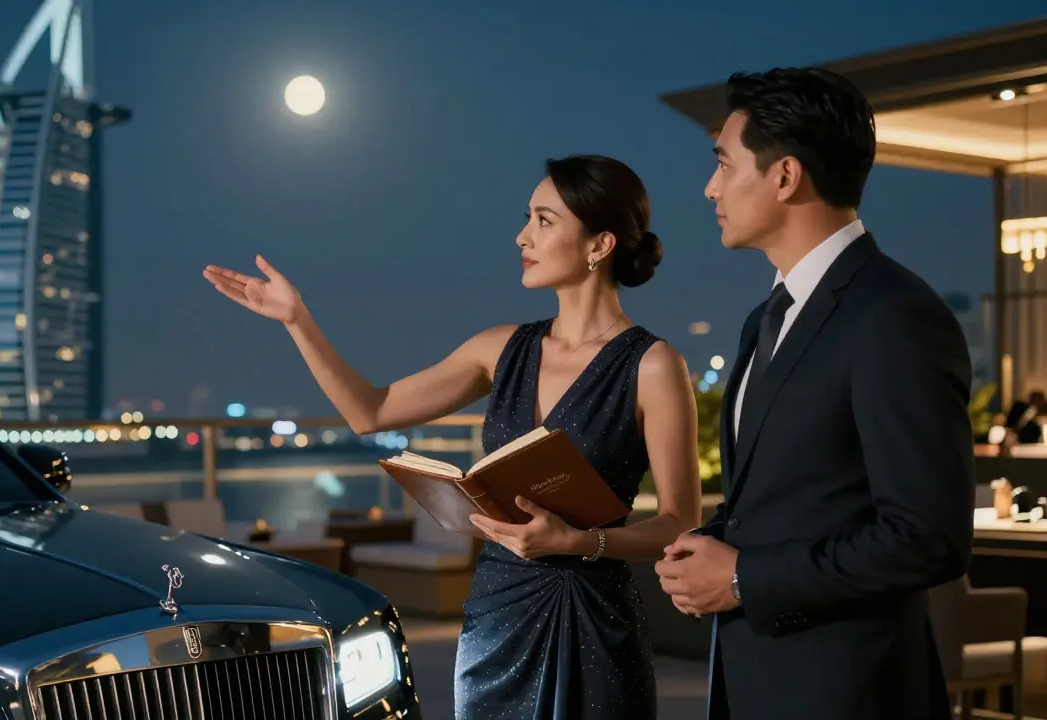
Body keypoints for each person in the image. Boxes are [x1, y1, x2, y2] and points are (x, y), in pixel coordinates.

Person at [203, 154, 703, 719]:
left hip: (595, 620)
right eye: (527, 218)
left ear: (599, 244)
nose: (522, 235)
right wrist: (298, 321)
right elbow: (371, 411)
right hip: (498, 615)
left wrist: (577, 542)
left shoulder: (653, 365)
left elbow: (679, 522)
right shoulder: (499, 347)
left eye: (544, 220)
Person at [653, 67, 975, 720]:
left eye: (723, 163)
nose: (710, 187)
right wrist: (706, 549)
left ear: (785, 176)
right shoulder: (765, 317)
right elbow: (788, 498)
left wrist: (743, 577)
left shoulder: (893, 314)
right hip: (753, 680)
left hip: (849, 690)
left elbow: (927, 537)